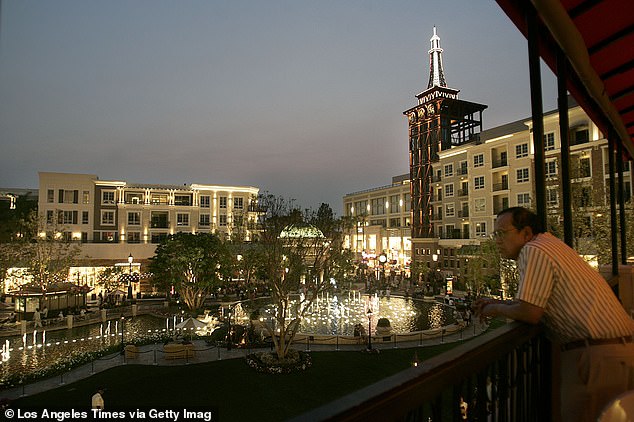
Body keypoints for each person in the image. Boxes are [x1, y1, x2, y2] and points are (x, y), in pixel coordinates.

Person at [473, 207, 634, 422]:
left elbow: (530, 312)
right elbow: (532, 301)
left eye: (502, 233)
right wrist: (501, 303)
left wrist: (493, 309)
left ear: (526, 233)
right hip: (609, 352)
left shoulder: (534, 250)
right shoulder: (549, 245)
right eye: (495, 235)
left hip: (597, 358)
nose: (497, 241)